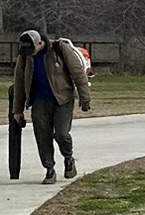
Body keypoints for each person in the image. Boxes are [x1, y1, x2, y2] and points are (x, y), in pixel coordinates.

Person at [11, 29, 93, 184]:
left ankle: (68, 158)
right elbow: (19, 84)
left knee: (61, 134)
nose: (29, 53)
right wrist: (18, 110)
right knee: (42, 137)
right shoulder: (25, 57)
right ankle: (49, 169)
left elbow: (78, 74)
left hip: (62, 99)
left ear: (40, 43)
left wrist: (85, 98)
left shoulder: (59, 49)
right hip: (39, 102)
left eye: (31, 49)